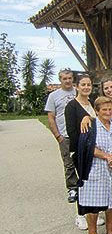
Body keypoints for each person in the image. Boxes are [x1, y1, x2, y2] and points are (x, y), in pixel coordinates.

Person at [77, 97, 112, 234]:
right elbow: (86, 147)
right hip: (95, 169)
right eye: (104, 109)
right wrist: (107, 156)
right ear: (96, 111)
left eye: (110, 109)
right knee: (93, 204)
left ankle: (110, 230)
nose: (108, 112)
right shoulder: (91, 125)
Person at [65, 73, 98, 230]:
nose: (86, 87)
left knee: (94, 182)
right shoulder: (72, 106)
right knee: (84, 183)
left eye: (88, 85)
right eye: (83, 84)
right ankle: (80, 215)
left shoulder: (91, 104)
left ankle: (92, 212)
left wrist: (90, 119)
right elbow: (72, 132)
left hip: (94, 151)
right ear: (76, 86)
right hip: (81, 151)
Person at [44, 68, 77, 203]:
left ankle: (84, 185)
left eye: (69, 78)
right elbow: (51, 117)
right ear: (60, 80)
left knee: (83, 161)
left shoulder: (78, 92)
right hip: (64, 135)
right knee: (68, 163)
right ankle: (72, 188)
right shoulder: (54, 96)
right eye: (65, 78)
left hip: (79, 134)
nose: (68, 80)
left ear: (73, 79)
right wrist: (58, 136)